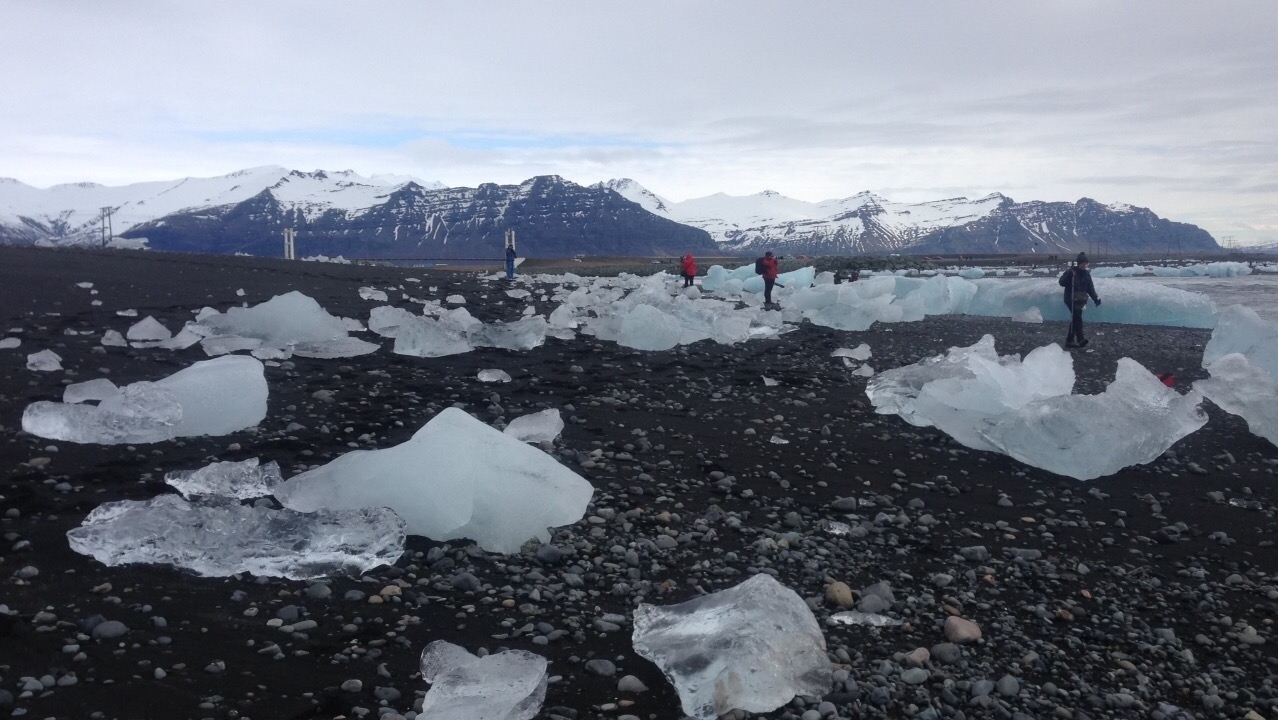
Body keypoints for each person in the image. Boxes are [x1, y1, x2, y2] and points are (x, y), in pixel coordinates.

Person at [1059, 252, 1101, 348]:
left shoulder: (1086, 275)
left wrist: (1095, 299)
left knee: (1076, 318)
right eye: (1082, 263)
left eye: (1085, 263)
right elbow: (1061, 282)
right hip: (1070, 298)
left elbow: (1090, 288)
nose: (1083, 265)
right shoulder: (1072, 271)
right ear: (1078, 263)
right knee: (1077, 317)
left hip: (1081, 299)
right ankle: (1080, 339)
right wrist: (1070, 274)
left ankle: (1069, 340)